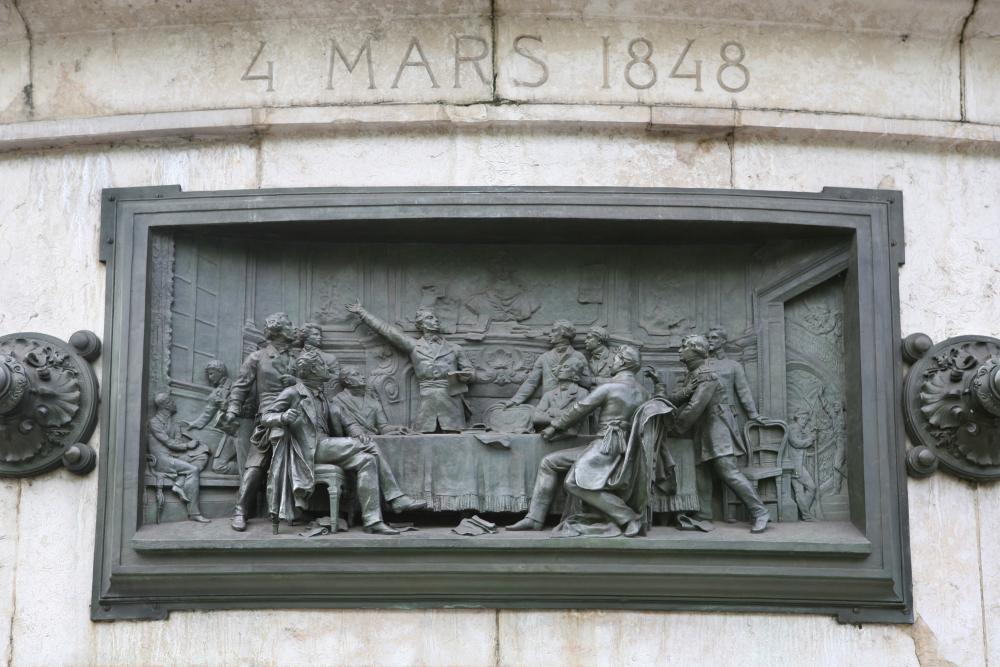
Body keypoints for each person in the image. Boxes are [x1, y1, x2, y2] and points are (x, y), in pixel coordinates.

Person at [508, 345, 673, 537]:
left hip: (606, 447)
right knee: (549, 462)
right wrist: (660, 385)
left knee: (574, 482)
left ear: (623, 362)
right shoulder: (644, 393)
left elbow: (580, 408)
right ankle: (535, 519)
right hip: (624, 450)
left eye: (616, 358)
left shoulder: (609, 387)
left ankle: (627, 517)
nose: (613, 361)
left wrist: (554, 426)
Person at [262, 349, 427, 534]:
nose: (328, 368)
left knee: (368, 460)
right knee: (369, 445)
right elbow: (266, 416)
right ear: (314, 370)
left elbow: (344, 419)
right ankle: (396, 497)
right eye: (323, 365)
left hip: (326, 446)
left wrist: (358, 433)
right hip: (311, 448)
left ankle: (372, 521)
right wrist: (283, 417)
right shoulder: (292, 393)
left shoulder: (322, 396)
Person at [666, 334, 770, 534]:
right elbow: (681, 398)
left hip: (717, 427)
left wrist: (675, 428)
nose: (679, 351)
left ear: (695, 350)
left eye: (683, 347)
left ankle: (760, 512)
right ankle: (704, 515)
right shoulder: (695, 373)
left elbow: (695, 407)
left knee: (727, 470)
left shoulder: (707, 375)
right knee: (701, 472)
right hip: (703, 428)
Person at [346, 301, 474, 433]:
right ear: (421, 324)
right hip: (427, 404)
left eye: (436, 318)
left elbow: (471, 372)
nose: (436, 320)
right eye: (430, 318)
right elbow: (387, 331)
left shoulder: (455, 348)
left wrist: (466, 375)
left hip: (452, 404)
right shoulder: (414, 346)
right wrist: (362, 312)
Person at [223, 312, 298, 531]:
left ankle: (295, 511)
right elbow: (240, 386)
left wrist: (297, 381)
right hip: (268, 416)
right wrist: (232, 408)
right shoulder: (257, 357)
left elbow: (313, 385)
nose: (294, 328)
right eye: (289, 325)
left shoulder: (297, 359)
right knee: (256, 464)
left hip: (297, 416)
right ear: (278, 331)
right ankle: (240, 510)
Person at [147, 392, 211, 523]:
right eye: (171, 401)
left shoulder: (174, 424)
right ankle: (194, 512)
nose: (174, 403)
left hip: (174, 456)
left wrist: (192, 445)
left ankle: (179, 484)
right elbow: (168, 442)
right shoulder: (154, 422)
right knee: (192, 470)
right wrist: (188, 445)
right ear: (164, 405)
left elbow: (177, 441)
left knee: (203, 454)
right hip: (162, 460)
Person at [505, 319, 592, 407]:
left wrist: (571, 374)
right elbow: (531, 382)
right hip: (549, 405)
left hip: (571, 404)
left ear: (563, 333)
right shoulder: (544, 357)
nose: (550, 335)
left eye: (553, 331)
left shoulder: (578, 356)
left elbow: (587, 383)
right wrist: (515, 400)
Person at [184, 360, 241, 474]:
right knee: (218, 465)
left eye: (211, 373)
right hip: (229, 431)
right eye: (208, 374)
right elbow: (208, 412)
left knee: (224, 464)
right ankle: (247, 470)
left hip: (242, 429)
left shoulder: (236, 386)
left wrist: (228, 405)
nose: (210, 377)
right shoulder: (217, 392)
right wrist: (194, 424)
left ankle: (253, 471)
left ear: (220, 372)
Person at [332, 367, 410, 436]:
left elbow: (383, 427)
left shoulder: (373, 402)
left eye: (361, 374)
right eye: (356, 374)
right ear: (347, 380)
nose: (362, 377)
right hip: (353, 441)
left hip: (373, 439)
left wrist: (397, 428)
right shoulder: (338, 401)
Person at [531, 357, 590, 438]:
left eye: (566, 367)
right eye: (561, 367)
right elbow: (536, 417)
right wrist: (555, 420)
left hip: (575, 439)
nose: (560, 369)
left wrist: (552, 412)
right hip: (549, 437)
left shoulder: (583, 393)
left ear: (575, 375)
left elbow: (577, 417)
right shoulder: (549, 395)